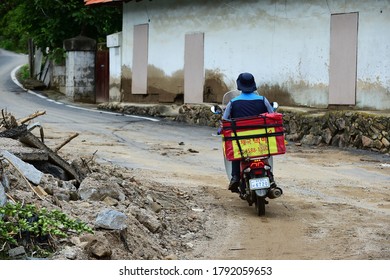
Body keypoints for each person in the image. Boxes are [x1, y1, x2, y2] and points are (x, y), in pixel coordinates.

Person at [222, 72, 275, 192]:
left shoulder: (233, 102)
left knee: (237, 152)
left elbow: (225, 121)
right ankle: (270, 176)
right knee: (265, 152)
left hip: (241, 141)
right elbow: (272, 116)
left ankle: (235, 177)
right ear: (253, 84)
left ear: (239, 85)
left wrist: (221, 129)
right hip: (260, 139)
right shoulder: (263, 100)